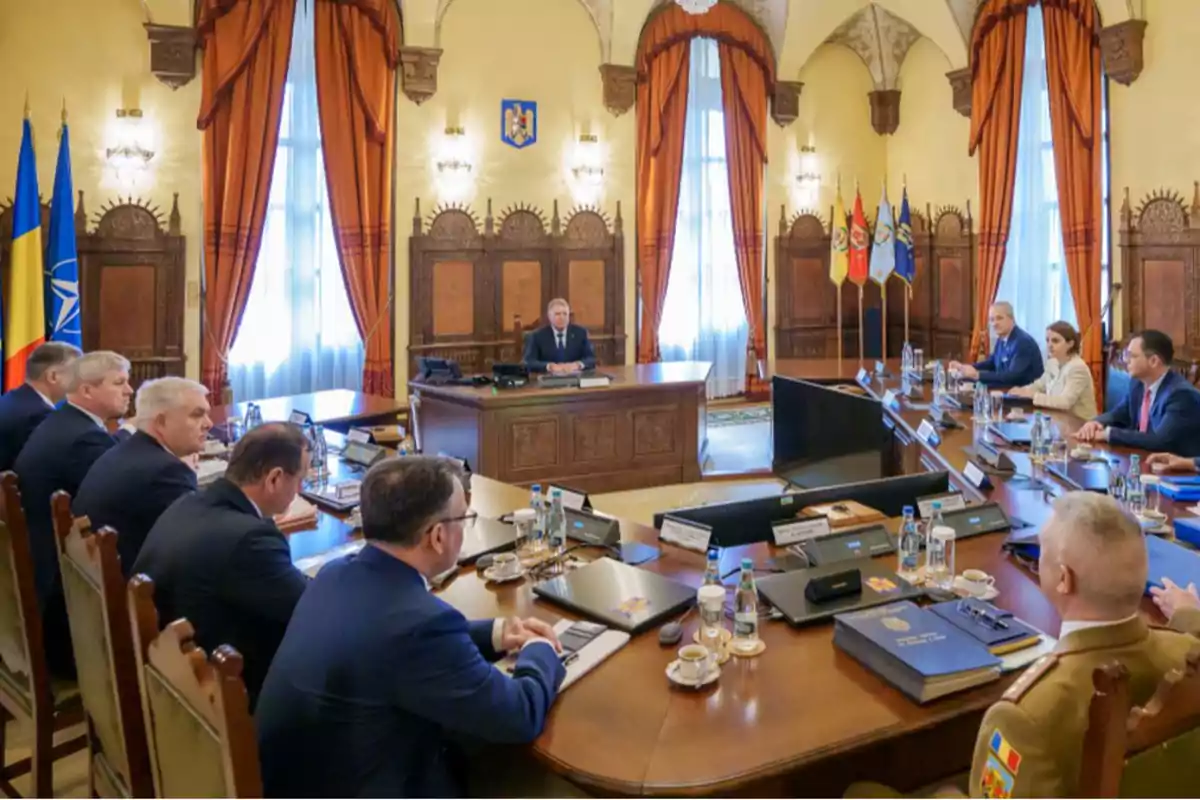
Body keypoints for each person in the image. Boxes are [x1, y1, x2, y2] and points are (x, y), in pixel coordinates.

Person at [256, 456, 566, 798]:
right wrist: (541, 651)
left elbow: (394, 646)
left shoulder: (335, 575)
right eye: (464, 518)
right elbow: (519, 716)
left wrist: (496, 634)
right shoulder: (420, 626)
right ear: (437, 536)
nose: (465, 528)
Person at [131, 423, 310, 705]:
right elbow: (306, 608)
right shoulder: (250, 539)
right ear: (274, 478)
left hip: (167, 676)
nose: (300, 489)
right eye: (300, 478)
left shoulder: (188, 503)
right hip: (217, 697)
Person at [14, 350, 132, 678]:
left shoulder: (62, 420)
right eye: (119, 382)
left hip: (42, 565)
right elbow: (116, 499)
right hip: (62, 597)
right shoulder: (84, 437)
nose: (129, 390)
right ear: (87, 391)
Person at [73, 377, 212, 571]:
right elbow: (199, 545)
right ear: (161, 422)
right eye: (197, 415)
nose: (209, 424)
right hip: (136, 591)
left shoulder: (126, 451)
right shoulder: (166, 472)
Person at [1074, 330, 1200, 455]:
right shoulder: (1137, 384)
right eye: (1125, 355)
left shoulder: (1181, 395)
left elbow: (1160, 441)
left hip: (1177, 471)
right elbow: (1119, 414)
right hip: (1140, 458)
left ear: (1154, 361)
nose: (1125, 360)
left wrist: (1108, 434)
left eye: (1131, 356)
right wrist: (1096, 423)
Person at [0, 342, 80, 471]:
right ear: (53, 376)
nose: (80, 381)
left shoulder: (15, 399)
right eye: (76, 375)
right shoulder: (38, 415)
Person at [1008, 321, 1097, 419]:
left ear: (1070, 343)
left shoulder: (1078, 368)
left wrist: (1033, 395)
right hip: (1057, 418)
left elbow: (1065, 402)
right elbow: (1040, 385)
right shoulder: (1053, 362)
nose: (1049, 345)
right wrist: (1022, 391)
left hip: (1079, 424)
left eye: (1055, 341)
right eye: (1047, 340)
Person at [949, 302, 1043, 387]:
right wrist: (965, 368)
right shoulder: (1002, 338)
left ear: (1012, 319)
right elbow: (992, 363)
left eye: (999, 318)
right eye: (992, 320)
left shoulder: (1022, 342)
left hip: (1021, 395)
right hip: (1005, 388)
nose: (994, 323)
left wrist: (977, 375)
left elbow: (1013, 377)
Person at [522, 297, 596, 374]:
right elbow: (528, 362)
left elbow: (591, 359)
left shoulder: (581, 333)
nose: (562, 317)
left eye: (565, 314)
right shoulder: (537, 336)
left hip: (575, 378)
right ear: (549, 316)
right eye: (557, 314)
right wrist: (549, 366)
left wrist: (577, 365)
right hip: (547, 379)